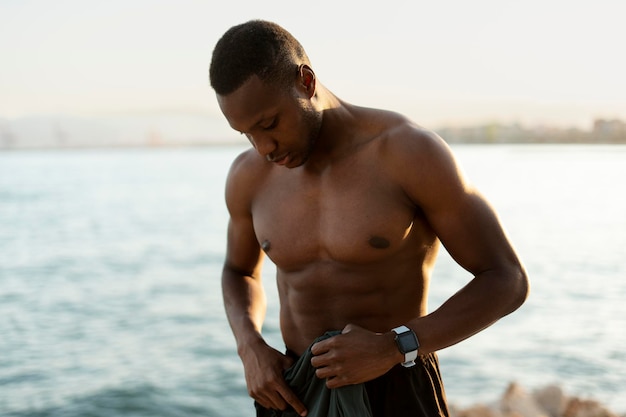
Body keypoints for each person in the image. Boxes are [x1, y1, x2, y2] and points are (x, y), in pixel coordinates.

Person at [209, 20, 529, 417]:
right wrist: (249, 346)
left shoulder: (406, 153)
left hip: (395, 383)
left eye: (270, 124)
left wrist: (396, 345)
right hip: (294, 391)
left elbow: (506, 278)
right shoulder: (248, 176)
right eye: (246, 134)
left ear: (305, 82)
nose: (264, 147)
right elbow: (238, 270)